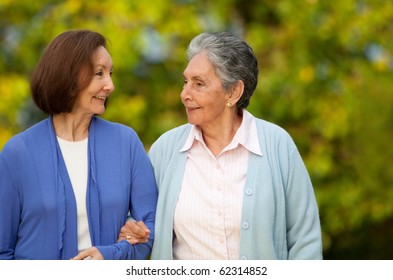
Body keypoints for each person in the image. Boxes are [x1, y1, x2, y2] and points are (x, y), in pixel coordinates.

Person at [120, 31, 323, 260]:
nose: (184, 94)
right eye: (186, 81)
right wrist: (132, 229)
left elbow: (306, 241)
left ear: (233, 91)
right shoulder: (165, 149)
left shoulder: (277, 145)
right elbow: (137, 218)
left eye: (199, 84)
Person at [0, 30, 158, 260]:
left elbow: (151, 228)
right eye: (99, 74)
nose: (110, 85)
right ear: (67, 75)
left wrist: (112, 254)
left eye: (110, 74)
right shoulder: (18, 153)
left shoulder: (126, 143)